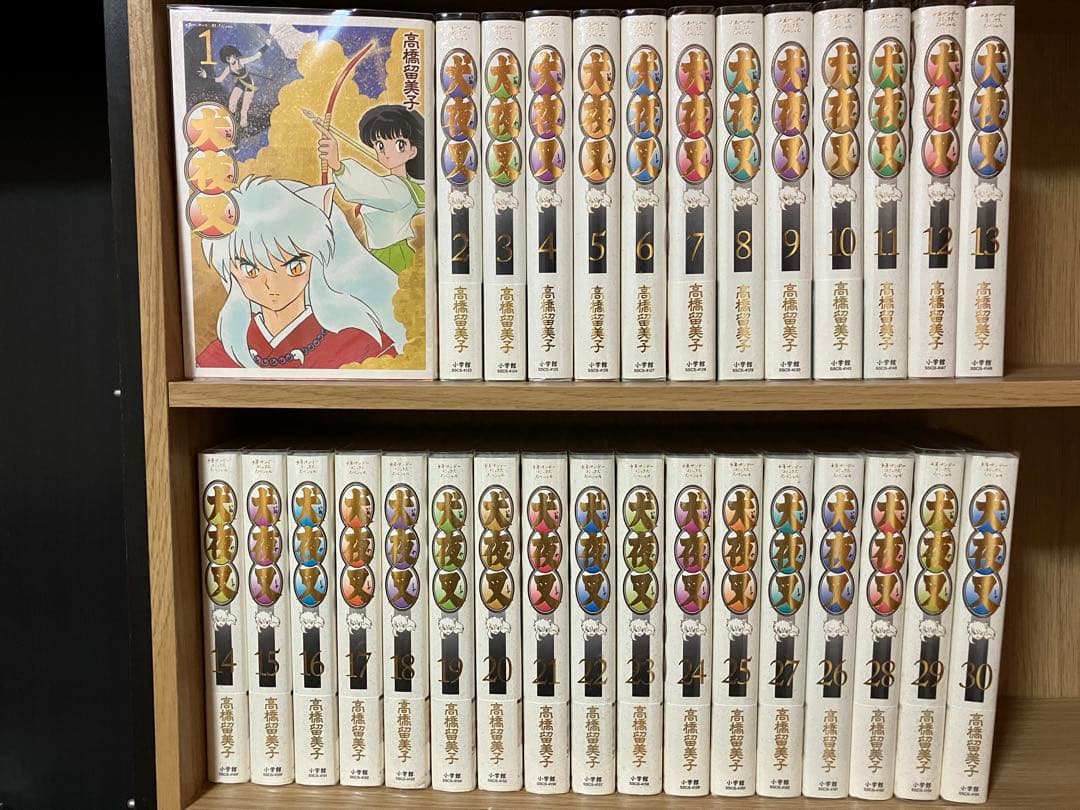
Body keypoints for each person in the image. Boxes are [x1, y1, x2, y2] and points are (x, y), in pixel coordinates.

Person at [195, 175, 401, 370]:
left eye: (293, 267)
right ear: (230, 268)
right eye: (251, 269)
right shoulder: (221, 355)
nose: (271, 284)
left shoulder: (361, 346)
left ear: (315, 261)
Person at [314, 105, 425, 273]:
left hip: (393, 258)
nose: (386, 153)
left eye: (399, 145)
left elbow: (373, 187)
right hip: (383, 255)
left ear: (412, 151)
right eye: (380, 145)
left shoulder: (400, 190)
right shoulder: (401, 185)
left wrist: (338, 166)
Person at [199, 36, 273, 130]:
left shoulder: (241, 61)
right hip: (240, 83)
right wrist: (206, 77)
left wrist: (267, 44)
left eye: (233, 56)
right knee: (232, 103)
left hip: (249, 84)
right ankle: (231, 120)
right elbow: (220, 79)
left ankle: (243, 126)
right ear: (226, 59)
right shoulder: (228, 68)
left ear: (235, 55)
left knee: (244, 108)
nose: (232, 59)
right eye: (229, 58)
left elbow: (256, 56)